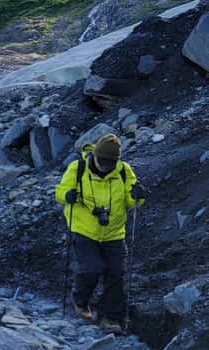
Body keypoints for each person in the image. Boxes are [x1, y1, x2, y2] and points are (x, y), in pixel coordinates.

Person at [55, 133, 146, 334]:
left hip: (114, 233)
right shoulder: (78, 168)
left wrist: (138, 195)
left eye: (110, 163)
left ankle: (110, 318)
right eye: (102, 161)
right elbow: (60, 193)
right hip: (84, 229)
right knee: (91, 268)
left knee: (117, 274)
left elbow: (133, 202)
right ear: (94, 155)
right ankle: (80, 300)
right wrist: (67, 195)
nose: (105, 166)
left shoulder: (124, 171)